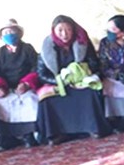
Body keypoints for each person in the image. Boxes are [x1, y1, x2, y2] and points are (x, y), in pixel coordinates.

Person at [37, 15, 111, 143]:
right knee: (47, 99)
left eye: (68, 30)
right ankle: (57, 133)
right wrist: (61, 81)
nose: (64, 34)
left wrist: (81, 74)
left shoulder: (82, 42)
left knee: (90, 93)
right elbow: (41, 74)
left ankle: (93, 128)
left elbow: (94, 63)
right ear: (54, 31)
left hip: (81, 80)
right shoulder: (47, 46)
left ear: (73, 30)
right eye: (60, 30)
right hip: (59, 83)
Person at [0, 18, 41, 149]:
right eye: (6, 32)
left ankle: (30, 134)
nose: (9, 34)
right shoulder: (0, 53)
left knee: (30, 99)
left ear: (18, 33)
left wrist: (26, 83)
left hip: (25, 86)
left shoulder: (28, 49)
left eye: (12, 31)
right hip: (7, 87)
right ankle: (5, 137)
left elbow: (36, 68)